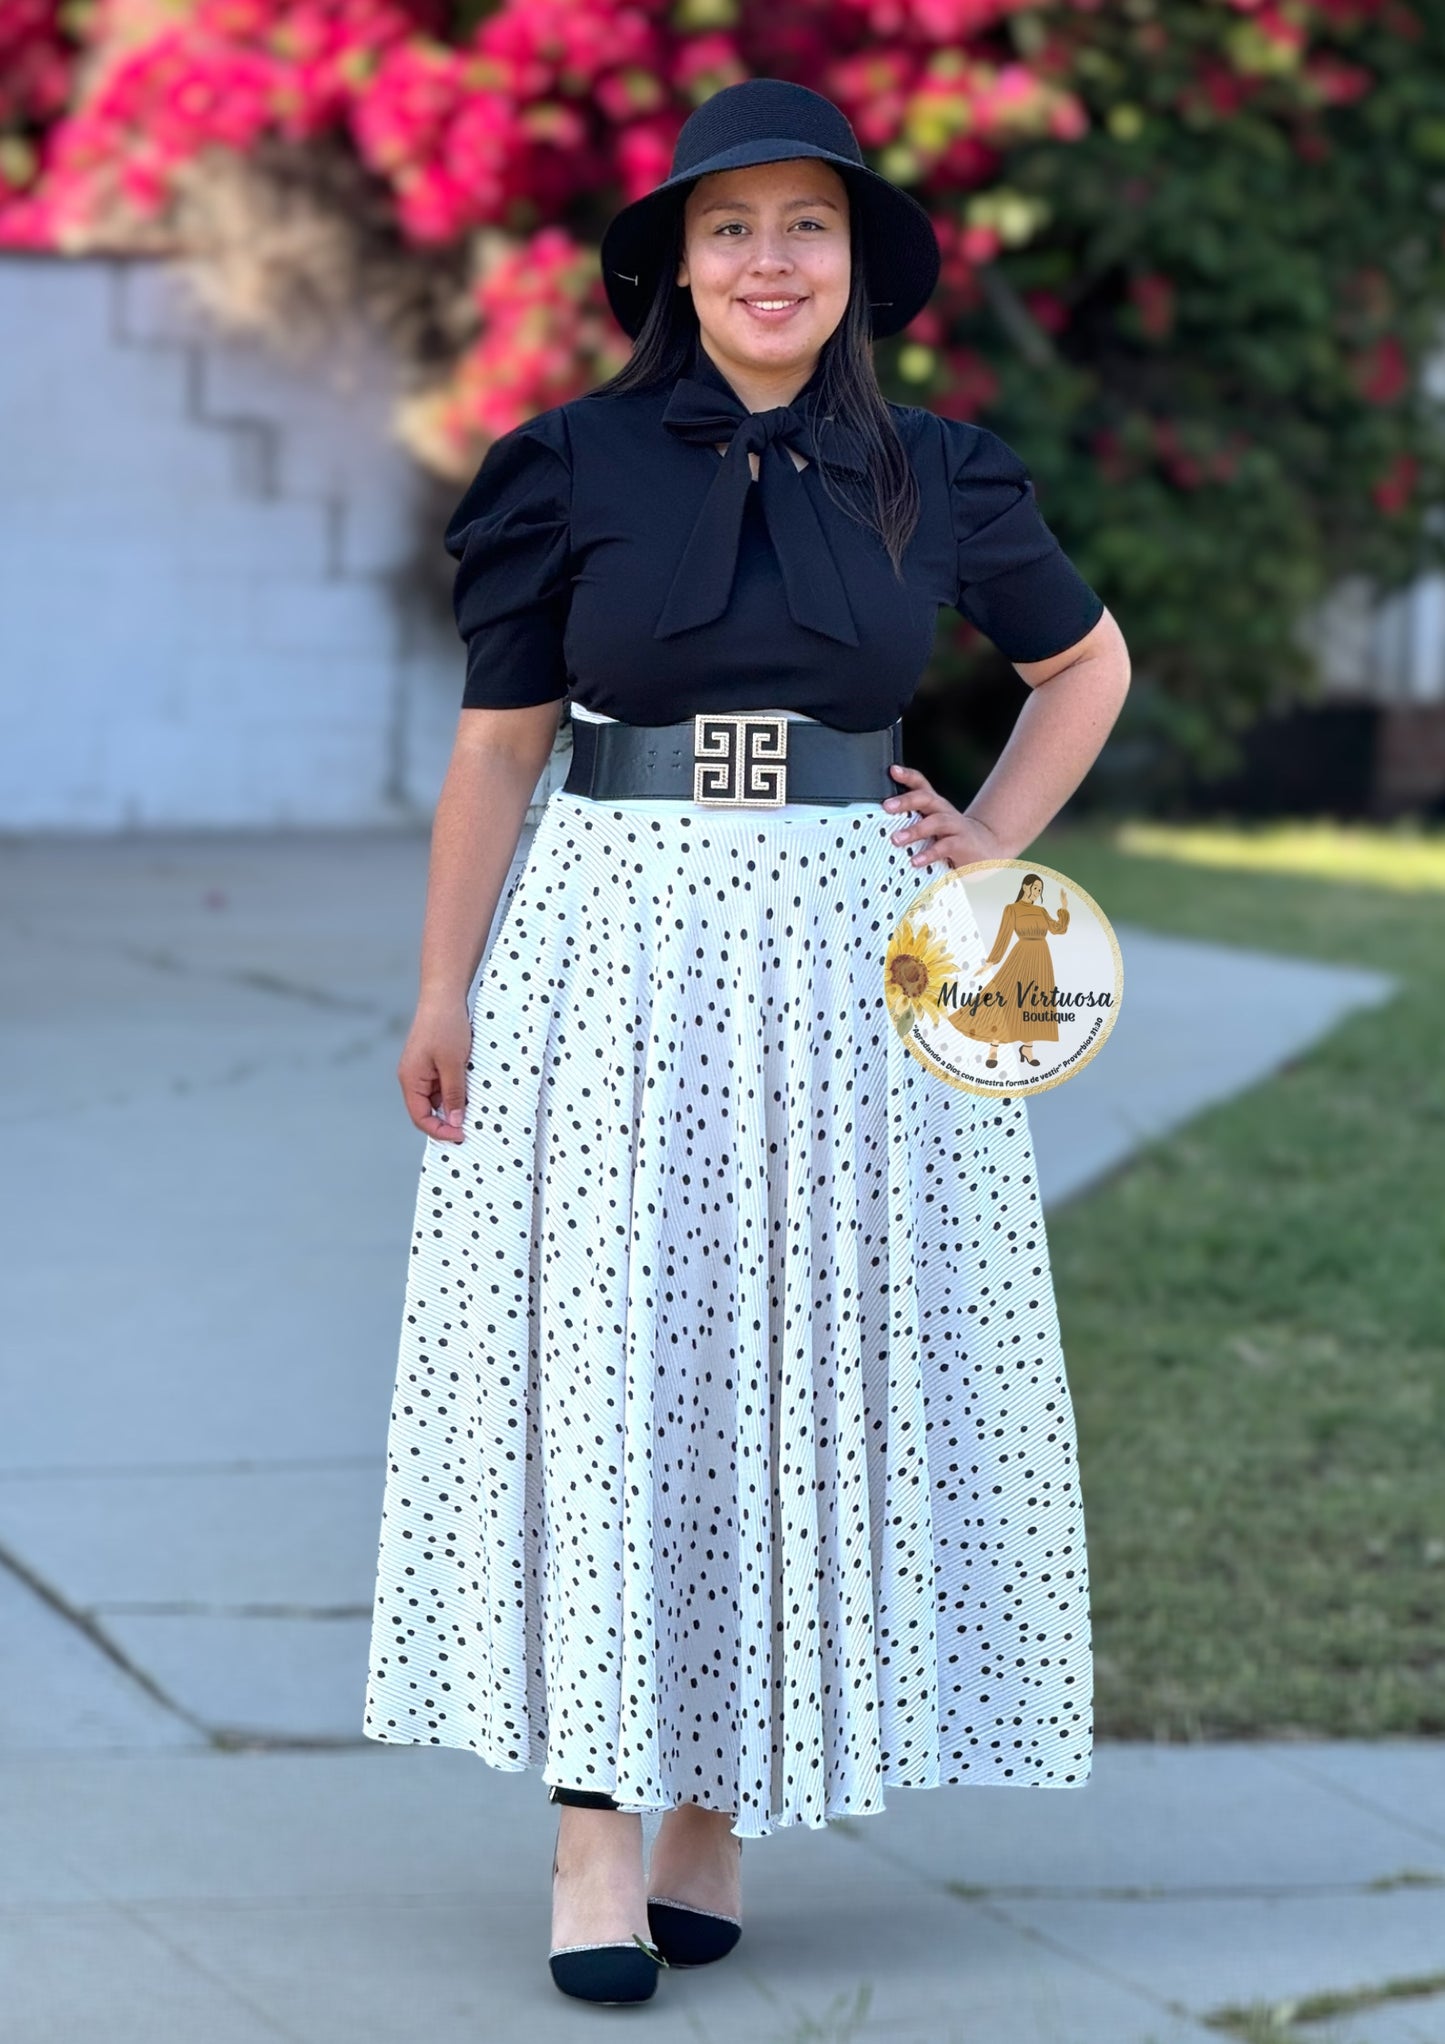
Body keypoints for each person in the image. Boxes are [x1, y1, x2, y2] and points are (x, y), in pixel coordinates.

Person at [362, 76, 1132, 2008]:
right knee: (614, 1368)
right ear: (676, 265)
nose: (768, 260)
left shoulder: (941, 468)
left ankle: (717, 1803)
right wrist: (445, 981)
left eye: (805, 226)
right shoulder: (568, 463)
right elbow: (497, 749)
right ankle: (595, 1833)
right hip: (611, 943)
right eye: (729, 228)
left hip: (852, 963)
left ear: (856, 261)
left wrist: (991, 840)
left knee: (793, 1356)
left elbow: (1083, 664)